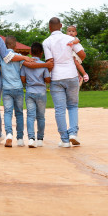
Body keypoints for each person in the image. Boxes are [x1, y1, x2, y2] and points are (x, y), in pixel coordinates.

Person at [42, 17, 85, 147]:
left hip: (56, 77)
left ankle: (64, 140)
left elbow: (50, 62)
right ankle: (73, 133)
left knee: (59, 109)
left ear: (49, 27)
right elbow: (82, 54)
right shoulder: (70, 39)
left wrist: (47, 77)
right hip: (71, 75)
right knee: (72, 106)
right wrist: (74, 60)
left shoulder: (46, 42)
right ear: (61, 26)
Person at [0, 36, 26, 147]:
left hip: (6, 89)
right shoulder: (19, 56)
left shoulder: (1, 56)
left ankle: (9, 135)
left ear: (5, 45)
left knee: (7, 112)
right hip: (18, 88)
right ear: (15, 46)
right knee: (19, 113)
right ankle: (20, 139)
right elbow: (28, 64)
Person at [21, 42, 52, 148]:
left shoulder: (26, 64)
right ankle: (40, 139)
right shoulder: (44, 65)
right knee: (41, 117)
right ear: (41, 53)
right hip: (41, 92)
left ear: (30, 52)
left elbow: (23, 79)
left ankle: (31, 139)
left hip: (30, 92)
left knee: (30, 116)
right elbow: (47, 80)